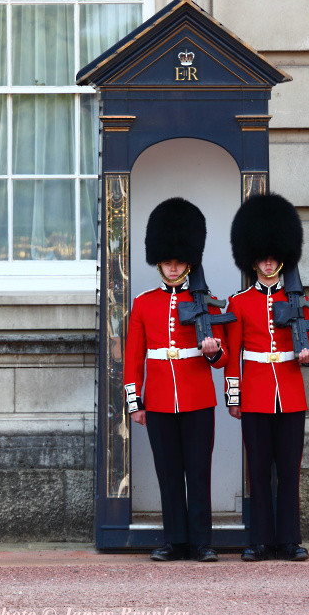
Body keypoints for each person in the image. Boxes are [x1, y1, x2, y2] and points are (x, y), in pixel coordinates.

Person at [124, 197, 227, 562]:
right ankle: (175, 540)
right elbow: (134, 357)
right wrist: (136, 403)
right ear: (160, 262)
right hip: (160, 400)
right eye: (167, 262)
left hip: (198, 398)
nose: (172, 267)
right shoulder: (144, 302)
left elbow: (221, 359)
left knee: (198, 473)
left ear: (188, 262)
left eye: (178, 262)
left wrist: (212, 349)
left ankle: (201, 541)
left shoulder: (209, 302)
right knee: (168, 475)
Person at [225, 193, 309, 562]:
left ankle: (290, 539)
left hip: (291, 395)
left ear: (283, 258)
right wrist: (235, 398)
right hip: (256, 394)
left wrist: (308, 354)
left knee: (289, 473)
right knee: (259, 471)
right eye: (262, 257)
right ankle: (260, 540)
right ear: (253, 260)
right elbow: (233, 359)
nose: (268, 262)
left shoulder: (298, 297)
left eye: (273, 256)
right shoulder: (239, 301)